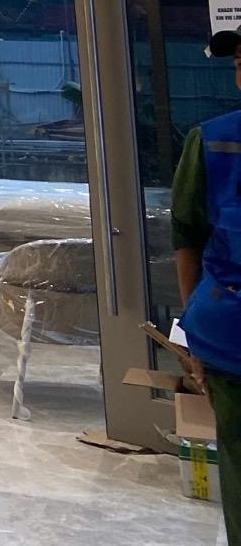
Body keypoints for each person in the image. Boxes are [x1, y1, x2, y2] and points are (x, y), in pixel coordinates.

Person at [174, 28, 241, 541]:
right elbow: (187, 237)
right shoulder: (213, 141)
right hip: (228, 341)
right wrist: (190, 336)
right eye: (239, 62)